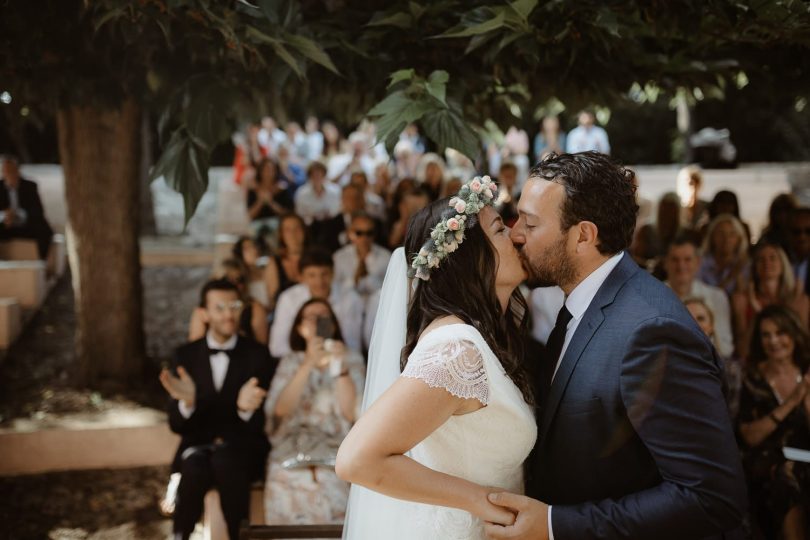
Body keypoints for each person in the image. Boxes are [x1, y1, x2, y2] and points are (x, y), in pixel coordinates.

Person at [486, 152, 745, 539]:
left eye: (531, 222)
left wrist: (556, 525)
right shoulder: (582, 301)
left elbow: (711, 497)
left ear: (584, 236)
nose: (517, 233)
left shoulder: (651, 331)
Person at [337, 176, 536, 538]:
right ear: (470, 259)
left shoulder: (481, 340)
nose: (516, 236)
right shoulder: (456, 350)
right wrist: (483, 502)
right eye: (500, 231)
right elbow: (357, 459)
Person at [160, 278, 276, 540]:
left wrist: (245, 409)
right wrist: (187, 402)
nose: (228, 315)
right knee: (195, 463)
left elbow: (261, 425)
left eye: (233, 306)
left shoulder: (258, 355)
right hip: (197, 447)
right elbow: (176, 425)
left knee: (226, 459)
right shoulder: (185, 355)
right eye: (219, 307)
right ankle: (180, 535)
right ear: (204, 313)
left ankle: (238, 534)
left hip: (243, 449)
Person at [263, 298, 364, 524]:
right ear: (299, 327)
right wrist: (308, 363)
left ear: (334, 324)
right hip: (291, 449)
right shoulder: (291, 361)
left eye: (324, 316)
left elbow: (352, 415)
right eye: (311, 317)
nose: (318, 320)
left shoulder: (350, 358)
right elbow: (279, 410)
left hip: (335, 450)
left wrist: (340, 369)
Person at [737, 305, 810, 539]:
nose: (774, 341)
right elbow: (749, 436)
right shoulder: (753, 379)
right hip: (769, 459)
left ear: (793, 334)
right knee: (787, 477)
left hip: (807, 454)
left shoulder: (807, 369)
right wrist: (792, 401)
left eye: (780, 333)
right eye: (766, 335)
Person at [269, 248, 363, 358]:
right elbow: (277, 347)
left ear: (333, 273)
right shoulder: (288, 299)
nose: (319, 282)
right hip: (299, 361)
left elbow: (353, 345)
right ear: (302, 277)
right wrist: (311, 357)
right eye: (312, 275)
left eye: (324, 274)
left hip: (338, 358)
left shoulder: (350, 298)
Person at [732, 240, 809, 359]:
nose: (767, 263)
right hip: (754, 363)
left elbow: (803, 346)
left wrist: (790, 309)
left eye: (772, 258)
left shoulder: (800, 300)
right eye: (761, 259)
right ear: (754, 267)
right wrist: (757, 314)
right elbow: (743, 351)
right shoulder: (741, 300)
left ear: (783, 264)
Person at [664, 236, 734, 358]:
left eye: (687, 260)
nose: (681, 266)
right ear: (665, 263)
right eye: (675, 260)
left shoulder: (717, 297)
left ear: (698, 263)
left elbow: (725, 347)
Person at [684, 296, 743, 419]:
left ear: (711, 326)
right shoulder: (665, 368)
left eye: (701, 318)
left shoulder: (731, 369)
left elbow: (731, 417)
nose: (694, 324)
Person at [189, 259, 269, 346]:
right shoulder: (202, 310)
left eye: (239, 279)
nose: (234, 284)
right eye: (227, 279)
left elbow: (262, 349)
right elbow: (194, 347)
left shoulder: (255, 308)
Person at [0, 155, 53, 259]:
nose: (9, 173)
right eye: (6, 171)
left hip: (26, 224)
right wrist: (4, 216)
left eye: (12, 170)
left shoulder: (30, 186)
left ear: (18, 171)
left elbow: (38, 211)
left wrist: (18, 214)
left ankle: (42, 262)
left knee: (44, 229)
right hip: (5, 226)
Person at [332, 212, 391, 298]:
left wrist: (369, 278)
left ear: (374, 234)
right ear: (349, 233)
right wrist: (354, 280)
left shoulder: (386, 256)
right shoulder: (339, 257)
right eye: (359, 233)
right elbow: (335, 289)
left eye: (369, 233)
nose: (364, 238)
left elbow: (388, 289)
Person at [700, 214, 751, 296]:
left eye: (732, 234)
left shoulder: (745, 265)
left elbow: (742, 297)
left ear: (739, 239)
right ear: (712, 237)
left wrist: (738, 276)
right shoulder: (700, 262)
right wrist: (732, 276)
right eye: (721, 234)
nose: (726, 239)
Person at [264, 213, 307, 307]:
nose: (293, 234)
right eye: (288, 230)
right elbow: (272, 299)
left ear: (304, 231)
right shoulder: (274, 262)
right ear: (281, 234)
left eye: (297, 229)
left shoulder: (314, 258)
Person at [293, 159, 341, 226]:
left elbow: (338, 211)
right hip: (309, 227)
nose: (317, 177)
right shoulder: (301, 193)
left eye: (320, 174)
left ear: (324, 175)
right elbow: (299, 214)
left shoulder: (335, 191)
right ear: (309, 176)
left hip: (331, 225)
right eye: (314, 175)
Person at [231, 235, 273, 311]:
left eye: (254, 246)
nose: (253, 250)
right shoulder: (238, 277)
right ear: (240, 253)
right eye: (247, 248)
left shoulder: (269, 270)